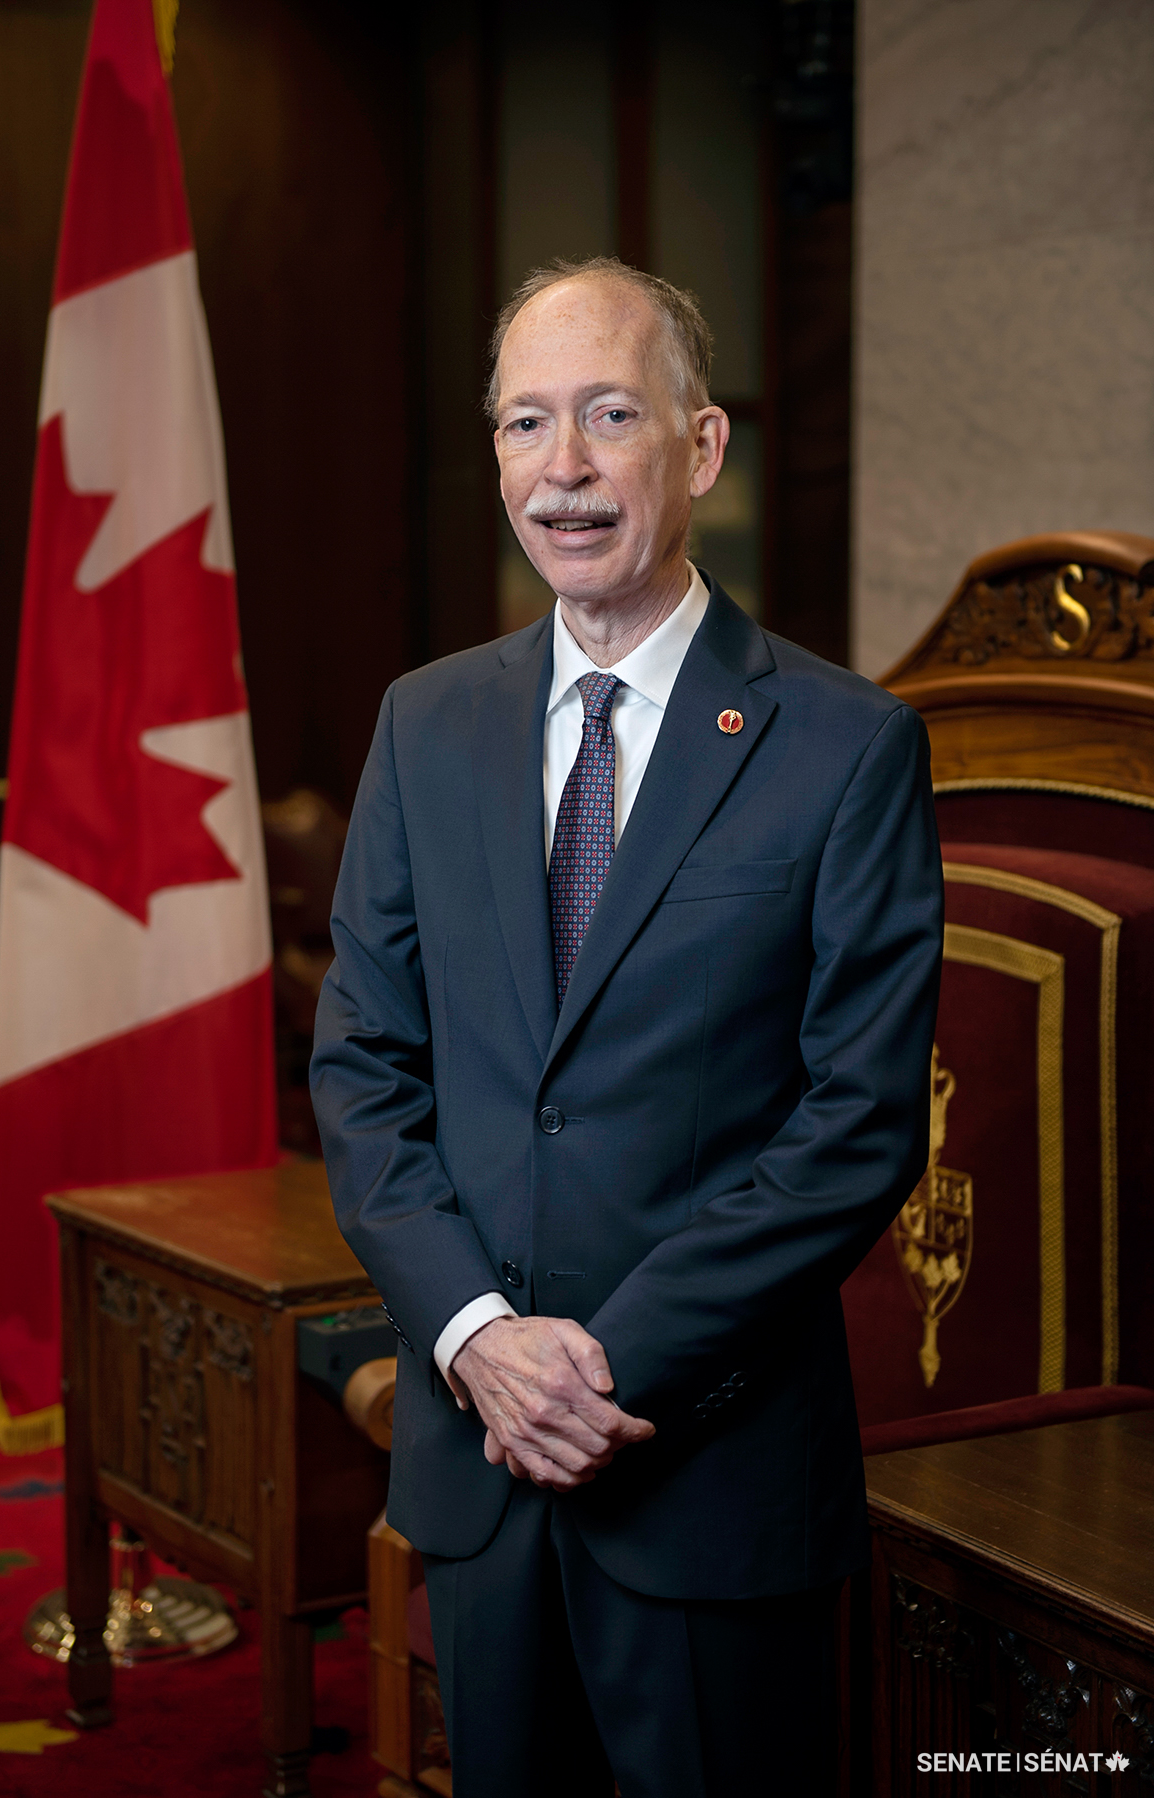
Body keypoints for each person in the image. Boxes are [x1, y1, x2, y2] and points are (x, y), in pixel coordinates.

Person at [311, 256, 944, 1797]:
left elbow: (857, 1119)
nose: (566, 469)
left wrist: (595, 1373)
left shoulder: (846, 747)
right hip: (479, 1469)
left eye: (608, 415)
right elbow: (363, 1068)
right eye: (528, 424)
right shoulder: (425, 721)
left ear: (701, 446)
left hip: (709, 1473)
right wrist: (476, 1342)